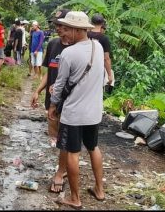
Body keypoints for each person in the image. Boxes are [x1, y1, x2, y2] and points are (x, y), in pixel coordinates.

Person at [48, 11, 105, 209]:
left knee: (73, 153)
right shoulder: (96, 46)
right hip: (94, 112)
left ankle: (75, 198)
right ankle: (99, 190)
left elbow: (60, 84)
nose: (63, 33)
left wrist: (53, 105)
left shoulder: (69, 53)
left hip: (74, 114)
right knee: (93, 147)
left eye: (66, 29)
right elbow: (103, 78)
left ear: (77, 29)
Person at [30, 9, 70, 193]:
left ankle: (61, 172)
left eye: (61, 25)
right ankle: (65, 164)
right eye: (56, 25)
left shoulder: (76, 48)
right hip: (51, 101)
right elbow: (48, 72)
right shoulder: (53, 44)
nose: (58, 28)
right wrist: (38, 91)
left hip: (68, 102)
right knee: (56, 137)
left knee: (65, 138)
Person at [88, 13, 113, 86]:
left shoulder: (85, 35)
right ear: (102, 24)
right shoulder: (104, 38)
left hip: (84, 68)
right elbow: (106, 58)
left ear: (91, 23)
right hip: (98, 70)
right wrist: (109, 74)